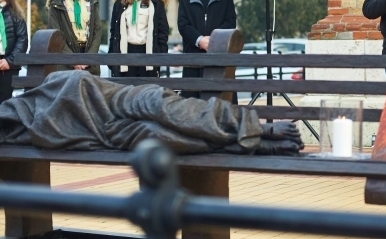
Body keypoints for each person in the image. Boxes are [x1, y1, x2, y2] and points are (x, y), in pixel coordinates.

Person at [0, 70, 302, 155]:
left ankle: (253, 125)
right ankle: (247, 143)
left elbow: (65, 84)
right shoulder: (13, 136)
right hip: (102, 131)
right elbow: (47, 135)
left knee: (161, 107)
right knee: (154, 135)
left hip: (114, 100)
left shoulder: (18, 106)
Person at [177, 0, 237, 99]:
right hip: (193, 58)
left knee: (222, 101)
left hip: (219, 57)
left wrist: (213, 40)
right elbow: (183, 25)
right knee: (192, 105)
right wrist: (199, 40)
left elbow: (230, 22)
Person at [109, 0, 169, 78]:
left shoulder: (155, 2)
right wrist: (112, 58)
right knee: (126, 92)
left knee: (146, 91)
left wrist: (160, 54)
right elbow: (113, 32)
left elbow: (162, 31)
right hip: (125, 52)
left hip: (147, 52)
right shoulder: (120, 2)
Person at [47, 0, 102, 75]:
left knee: (89, 91)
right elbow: (55, 34)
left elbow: (98, 30)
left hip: (89, 59)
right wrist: (72, 60)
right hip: (66, 62)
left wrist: (89, 58)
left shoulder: (90, 2)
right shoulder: (56, 4)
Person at [0, 0, 28, 104]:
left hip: (8, 66)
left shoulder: (15, 13)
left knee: (5, 104)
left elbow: (22, 39)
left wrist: (9, 62)